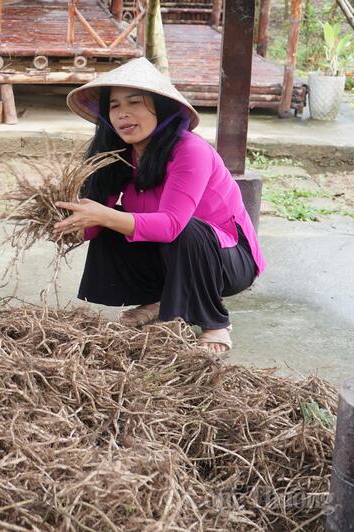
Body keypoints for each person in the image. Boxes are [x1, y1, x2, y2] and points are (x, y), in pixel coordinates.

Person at [54, 57, 265, 352]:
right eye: (114, 106)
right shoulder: (117, 157)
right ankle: (160, 300)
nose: (123, 114)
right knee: (110, 221)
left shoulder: (191, 150)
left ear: (162, 109)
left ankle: (215, 322)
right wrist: (67, 223)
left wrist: (102, 215)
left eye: (135, 103)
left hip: (227, 260)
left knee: (185, 230)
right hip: (169, 253)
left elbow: (171, 225)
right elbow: (93, 225)